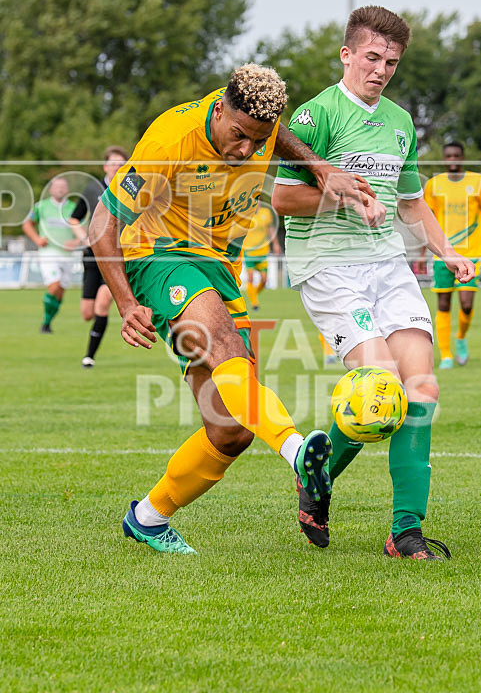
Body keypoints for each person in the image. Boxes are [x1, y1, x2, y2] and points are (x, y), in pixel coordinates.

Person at [89, 64, 374, 555]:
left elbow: (278, 137)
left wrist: (319, 167)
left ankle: (148, 518)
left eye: (255, 141)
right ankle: (297, 452)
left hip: (220, 266)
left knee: (231, 428)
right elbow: (101, 225)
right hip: (159, 257)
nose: (245, 150)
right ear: (220, 109)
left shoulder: (259, 131)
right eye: (239, 135)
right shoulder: (168, 141)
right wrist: (126, 301)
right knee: (224, 347)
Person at [272, 6, 474, 559]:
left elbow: (411, 204)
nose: (381, 70)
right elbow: (282, 199)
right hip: (330, 268)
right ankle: (316, 478)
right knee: (378, 385)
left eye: (392, 62)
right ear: (347, 54)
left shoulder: (401, 122)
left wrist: (447, 250)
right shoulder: (318, 116)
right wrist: (347, 193)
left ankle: (404, 531)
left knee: (422, 392)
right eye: (372, 57)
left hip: (388, 266)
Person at [419, 141, 481, 368]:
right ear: (444, 158)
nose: (452, 160)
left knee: (466, 303)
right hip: (442, 254)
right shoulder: (434, 185)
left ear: (462, 158)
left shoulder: (478, 182)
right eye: (448, 156)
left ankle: (460, 337)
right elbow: (425, 219)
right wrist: (423, 253)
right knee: (443, 302)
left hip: (471, 252)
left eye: (456, 156)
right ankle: (446, 355)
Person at [69, 146, 128, 367]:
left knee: (103, 302)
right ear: (105, 166)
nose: (117, 168)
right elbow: (74, 218)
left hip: (116, 257)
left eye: (122, 164)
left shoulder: (131, 189)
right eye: (113, 163)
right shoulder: (92, 189)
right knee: (87, 313)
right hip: (91, 256)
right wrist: (84, 237)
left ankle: (89, 357)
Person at [22, 177, 79, 333]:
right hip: (49, 252)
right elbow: (26, 224)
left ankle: (47, 323)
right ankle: (46, 323)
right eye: (57, 186)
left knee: (60, 292)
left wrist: (75, 242)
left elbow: (84, 229)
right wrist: (37, 239)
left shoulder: (74, 207)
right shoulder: (41, 206)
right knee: (54, 287)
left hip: (68, 255)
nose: (60, 189)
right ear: (51, 189)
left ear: (67, 189)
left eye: (63, 186)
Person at [242, 201, 281, 310]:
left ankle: (253, 294)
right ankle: (255, 304)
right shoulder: (245, 215)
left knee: (264, 280)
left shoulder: (266, 212)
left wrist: (276, 244)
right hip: (249, 251)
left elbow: (271, 230)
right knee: (250, 278)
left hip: (263, 252)